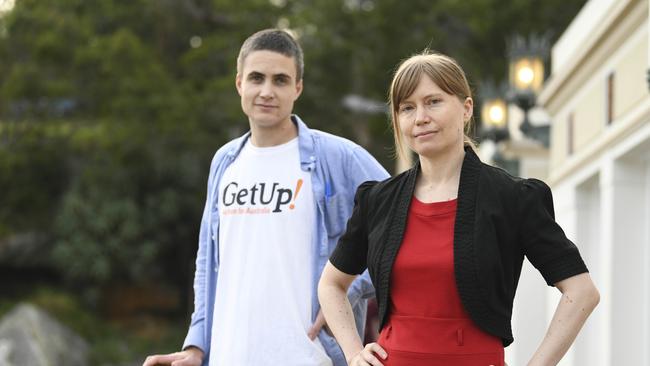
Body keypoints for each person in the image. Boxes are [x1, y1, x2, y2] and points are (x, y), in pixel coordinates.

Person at [318, 51, 600, 366]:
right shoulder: (378, 200)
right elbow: (331, 284)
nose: (420, 117)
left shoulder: (513, 197)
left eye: (433, 102)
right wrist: (354, 352)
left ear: (466, 109)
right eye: (407, 108)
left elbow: (582, 292)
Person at [142, 29, 389, 366]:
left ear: (297, 88)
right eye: (257, 78)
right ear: (239, 83)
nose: (267, 91)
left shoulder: (339, 157)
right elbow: (207, 262)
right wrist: (196, 347)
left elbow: (405, 227)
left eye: (281, 80)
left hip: (312, 358)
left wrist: (348, 290)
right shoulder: (225, 161)